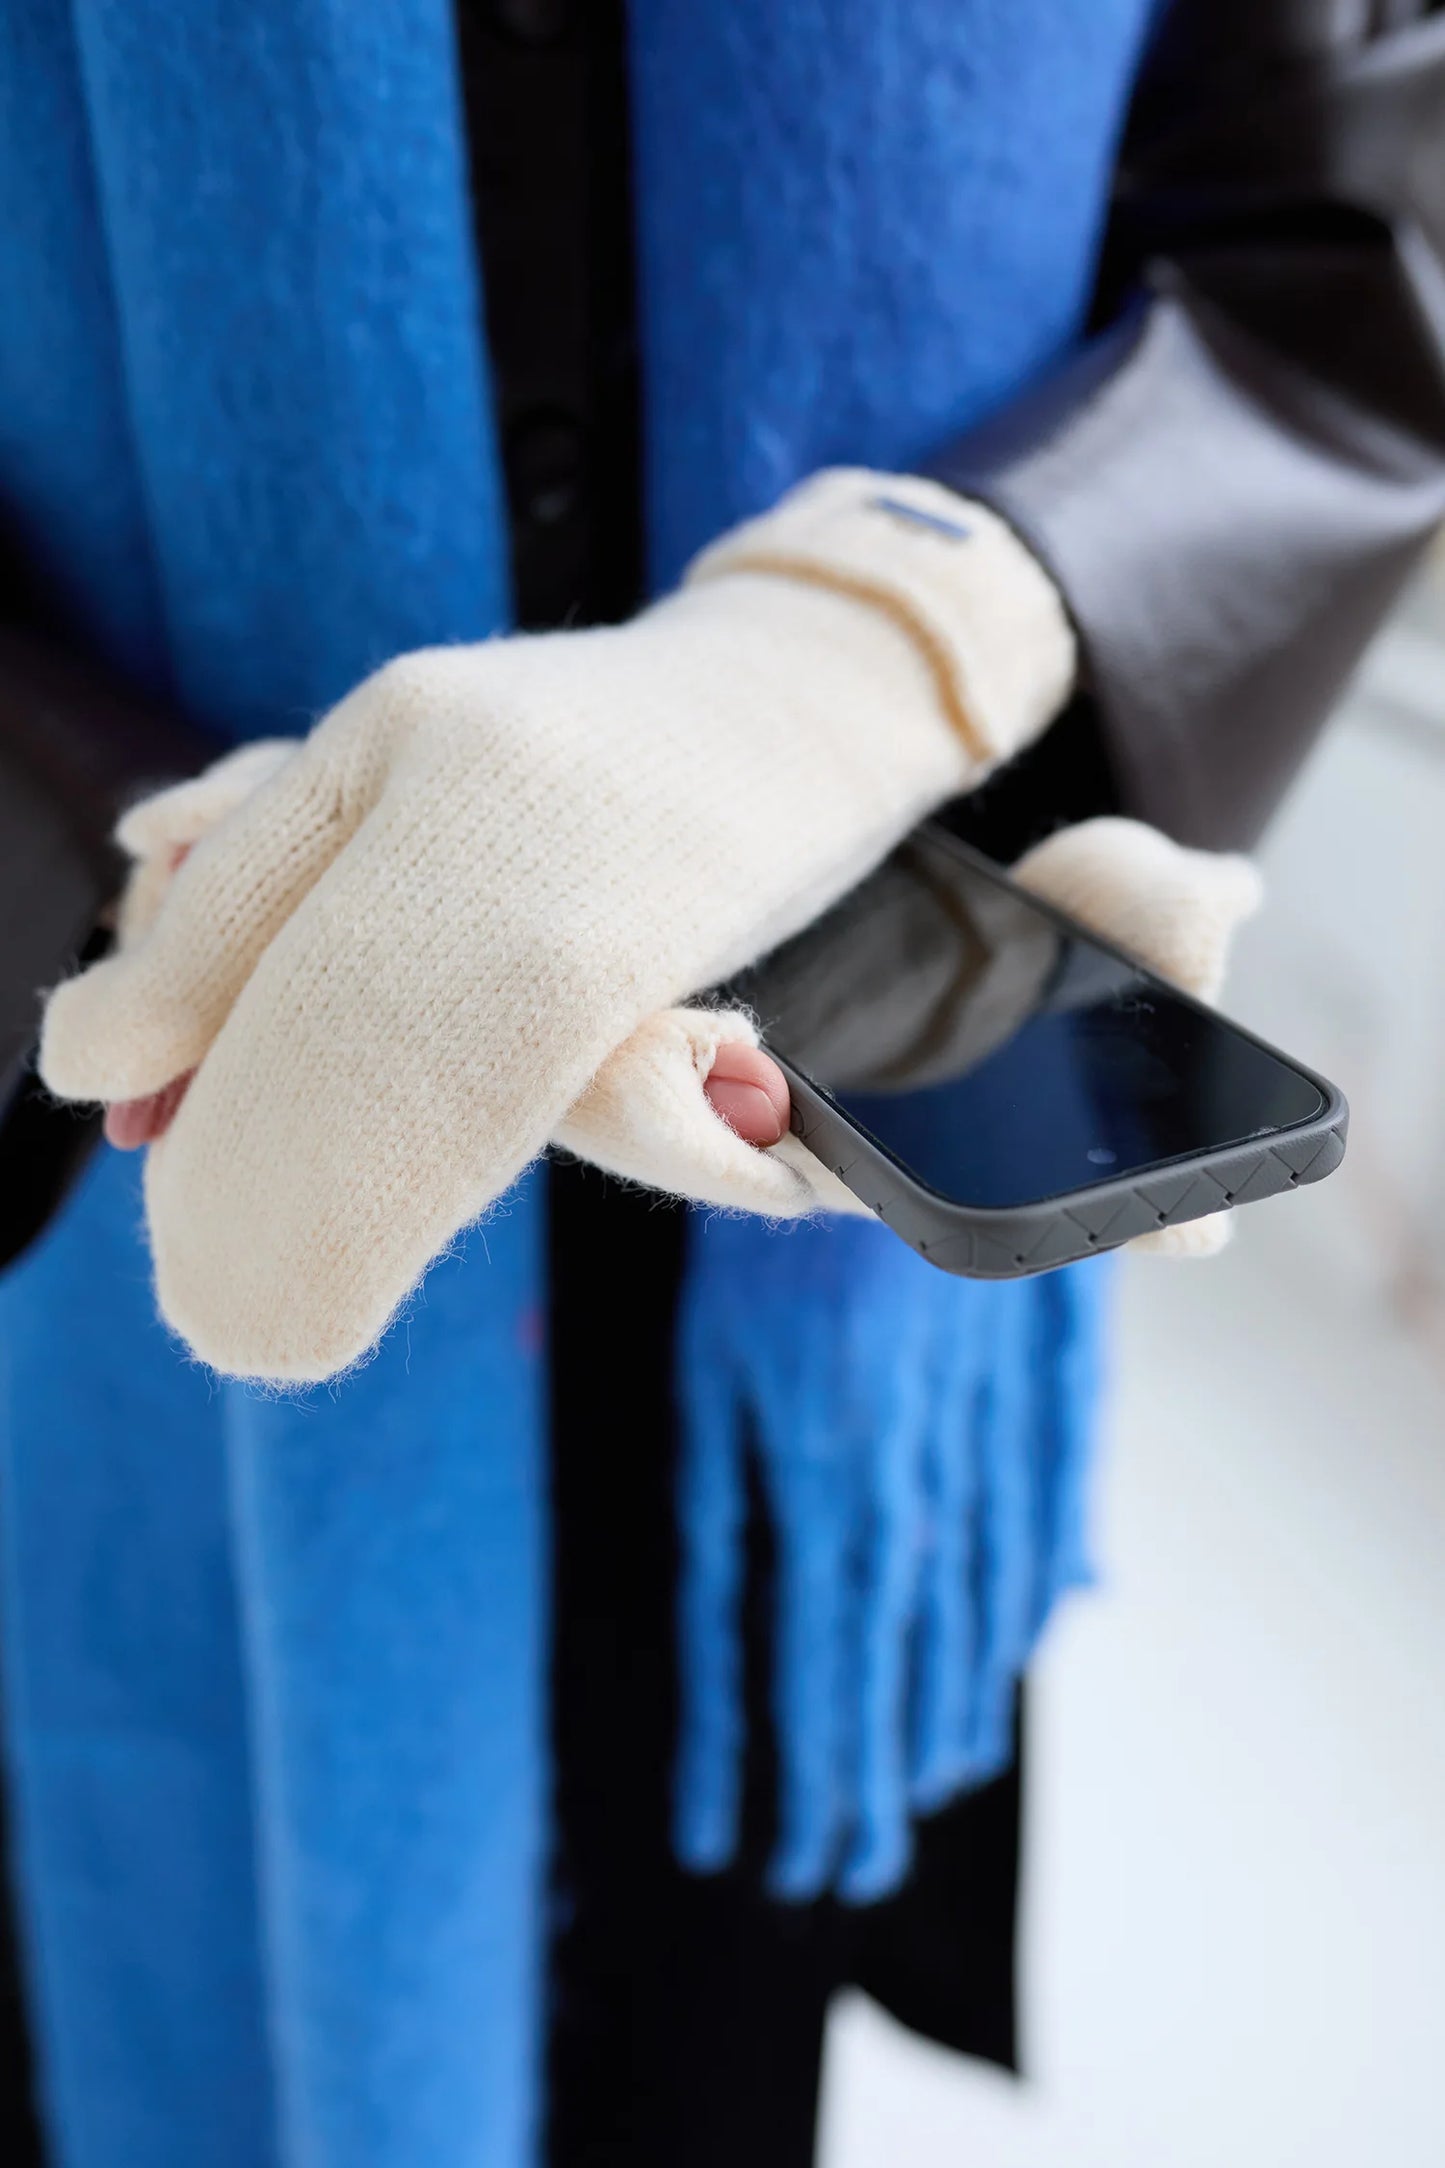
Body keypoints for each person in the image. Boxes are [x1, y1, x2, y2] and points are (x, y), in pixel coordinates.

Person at [0, 3, 1442, 2165]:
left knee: (701, 2021)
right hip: (158, 1199)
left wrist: (890, 640)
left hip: (785, 1306)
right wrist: (150, 842)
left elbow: (1351, 199)